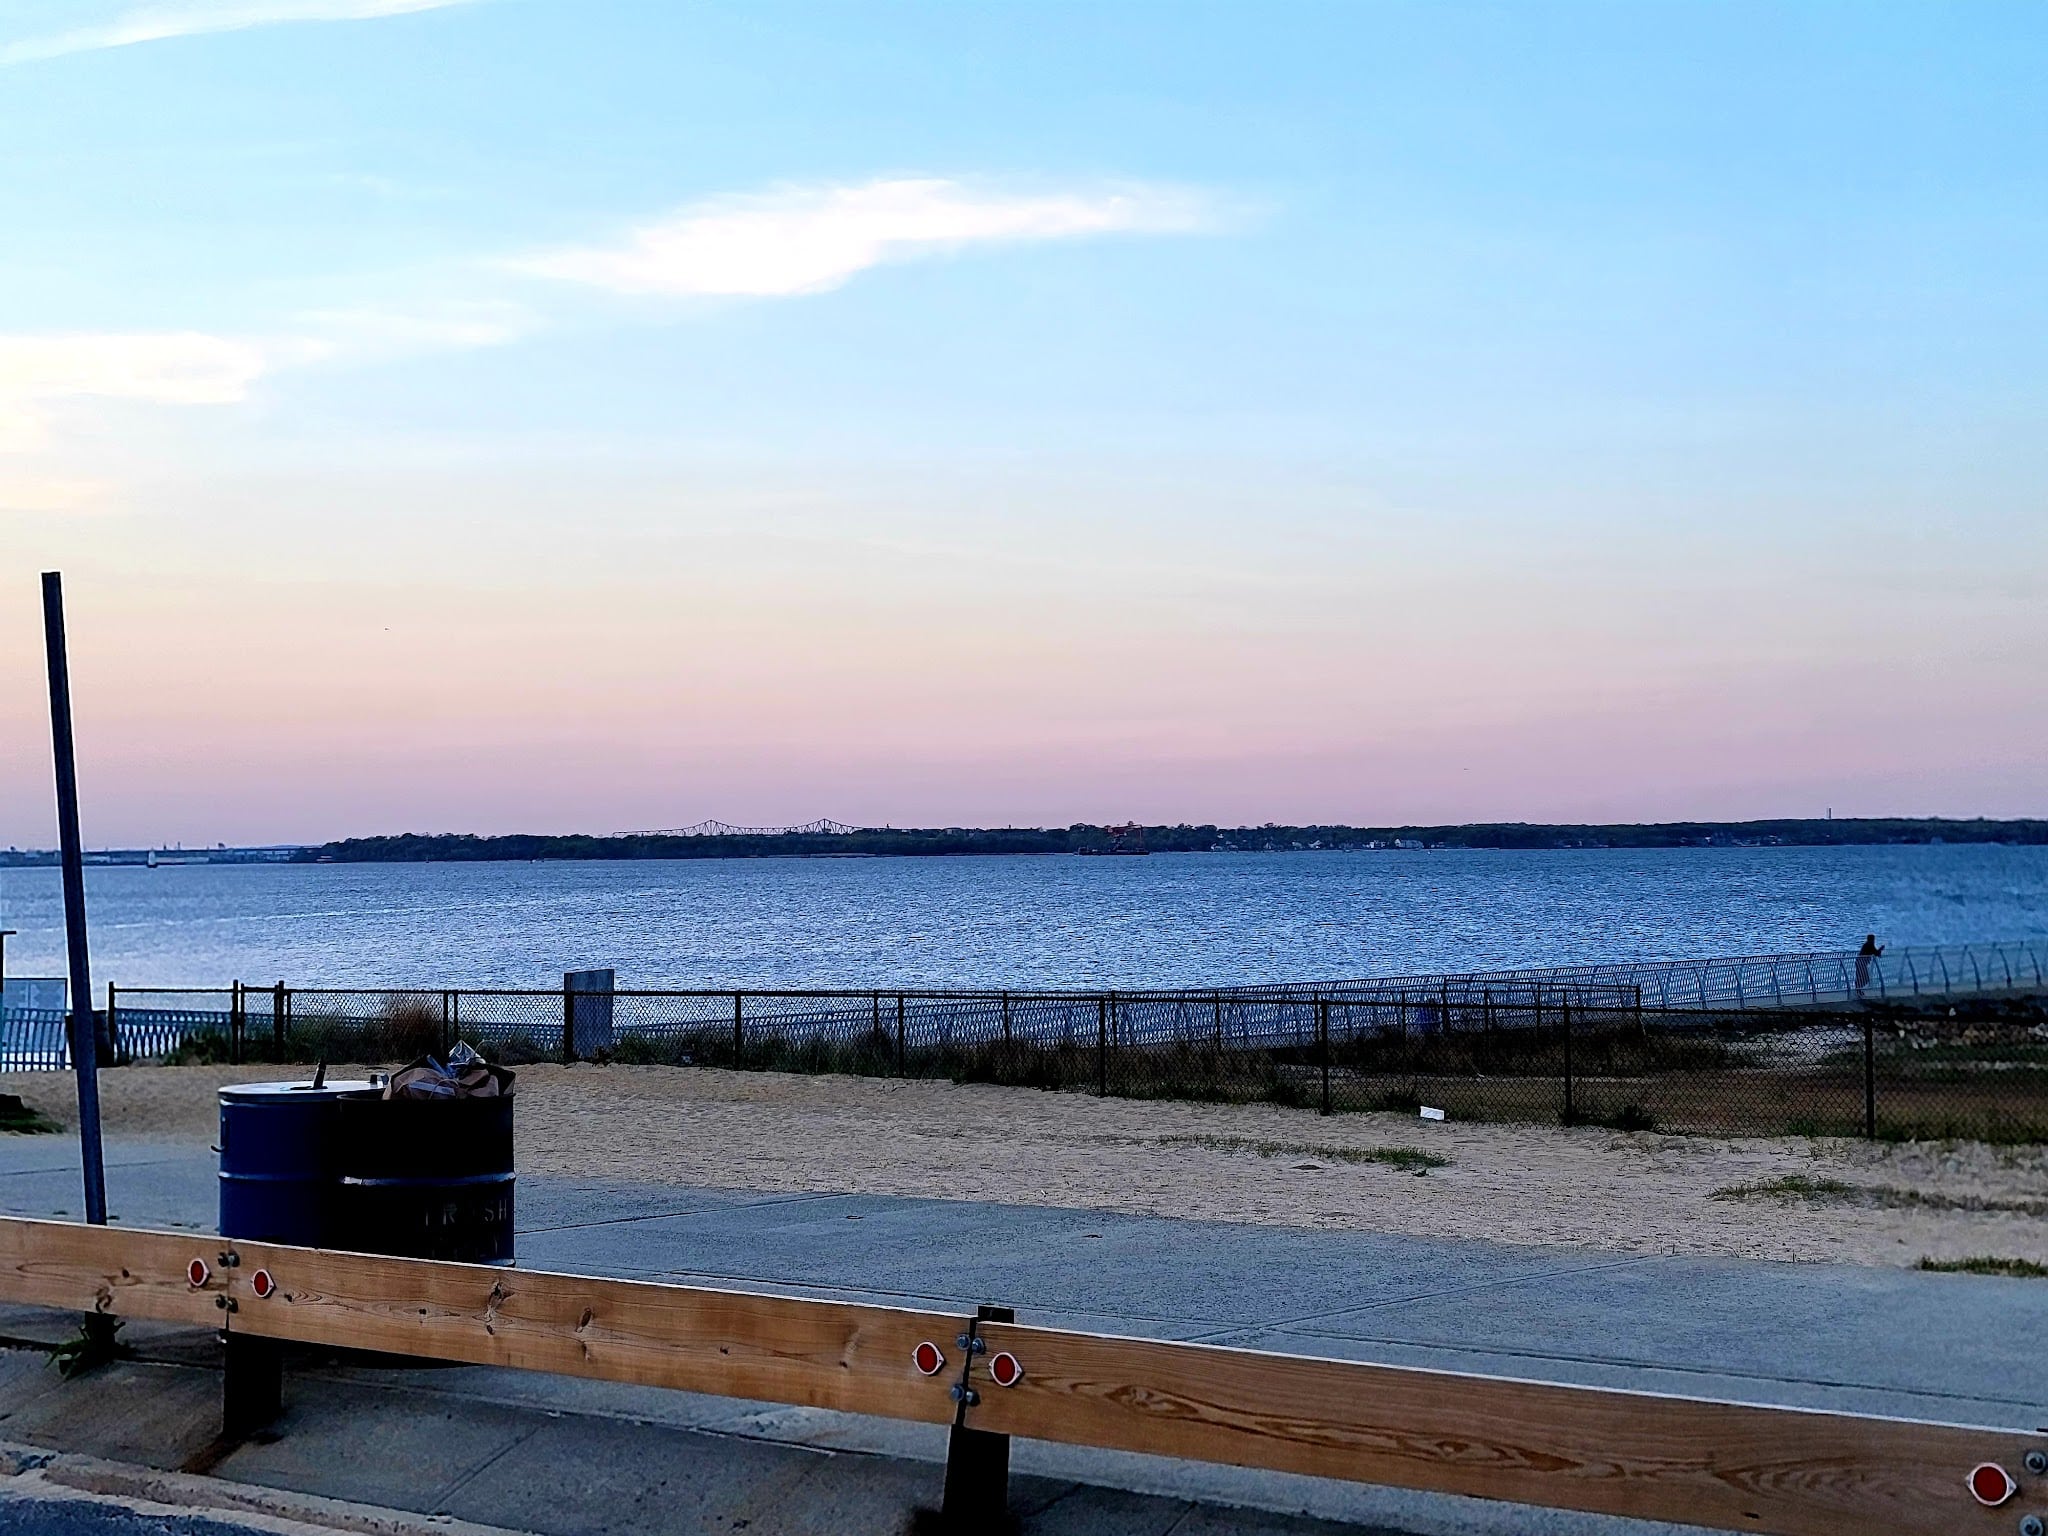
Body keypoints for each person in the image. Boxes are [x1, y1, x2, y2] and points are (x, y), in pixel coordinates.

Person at [1854, 934, 1884, 999]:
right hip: (1861, 963)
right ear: (1872, 939)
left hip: (1860, 962)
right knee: (1865, 978)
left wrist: (1879, 951)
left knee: (1862, 977)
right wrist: (1881, 949)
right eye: (1873, 940)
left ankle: (1858, 989)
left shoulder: (1868, 944)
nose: (1874, 941)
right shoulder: (1869, 945)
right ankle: (1857, 989)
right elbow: (1877, 953)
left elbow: (1876, 953)